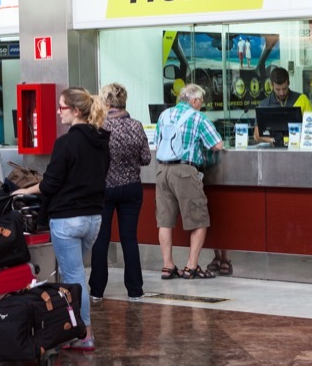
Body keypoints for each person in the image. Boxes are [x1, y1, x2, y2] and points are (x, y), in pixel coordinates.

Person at [17, 87, 110, 350]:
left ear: (76, 111)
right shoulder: (101, 141)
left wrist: (25, 189)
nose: (58, 113)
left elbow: (50, 184)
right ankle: (70, 327)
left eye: (62, 108)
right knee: (75, 272)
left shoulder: (66, 143)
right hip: (93, 218)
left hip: (67, 220)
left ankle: (84, 334)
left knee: (73, 277)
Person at [155, 84, 224, 279]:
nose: (202, 105)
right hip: (184, 171)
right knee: (199, 220)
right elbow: (218, 144)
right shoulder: (197, 117)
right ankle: (191, 267)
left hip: (162, 171)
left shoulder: (164, 115)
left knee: (165, 222)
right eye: (201, 101)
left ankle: (168, 266)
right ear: (194, 101)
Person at [88, 83, 150, 302]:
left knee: (101, 240)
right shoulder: (136, 125)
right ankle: (135, 290)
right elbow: (146, 159)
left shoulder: (98, 127)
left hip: (104, 189)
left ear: (106, 103)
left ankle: (96, 290)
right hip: (132, 188)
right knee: (129, 239)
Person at [254, 67, 312, 144]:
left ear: (288, 83)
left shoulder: (302, 99)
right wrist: (274, 141)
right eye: (278, 89)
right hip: (274, 149)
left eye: (284, 88)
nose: (281, 93)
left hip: (298, 146)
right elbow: (256, 135)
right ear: (272, 85)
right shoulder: (264, 105)